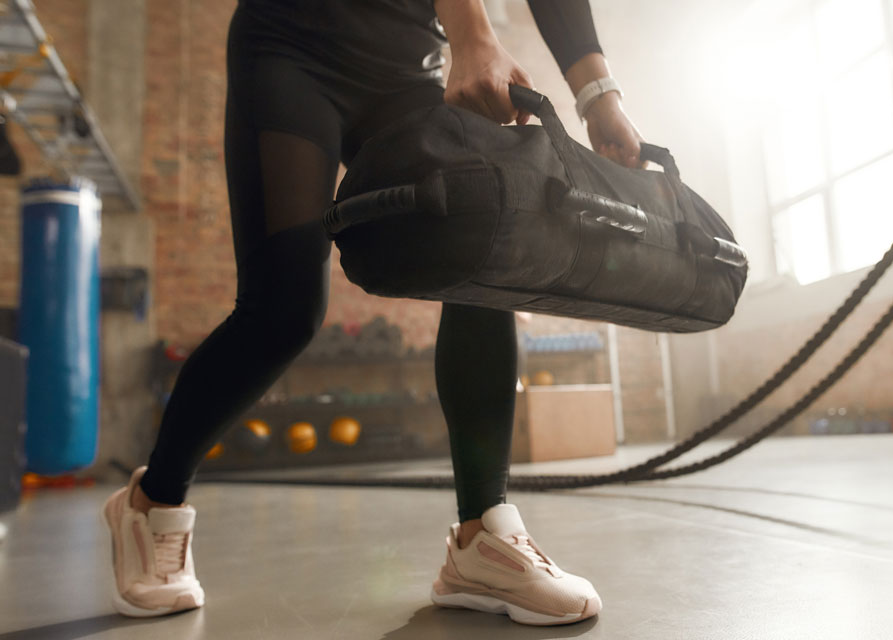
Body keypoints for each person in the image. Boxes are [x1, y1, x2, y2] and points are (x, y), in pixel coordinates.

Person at [102, 0, 643, 624]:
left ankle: (482, 539)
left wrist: (600, 95)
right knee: (284, 310)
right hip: (292, 46)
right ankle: (151, 503)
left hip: (405, 67)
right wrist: (474, 36)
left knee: (480, 252)